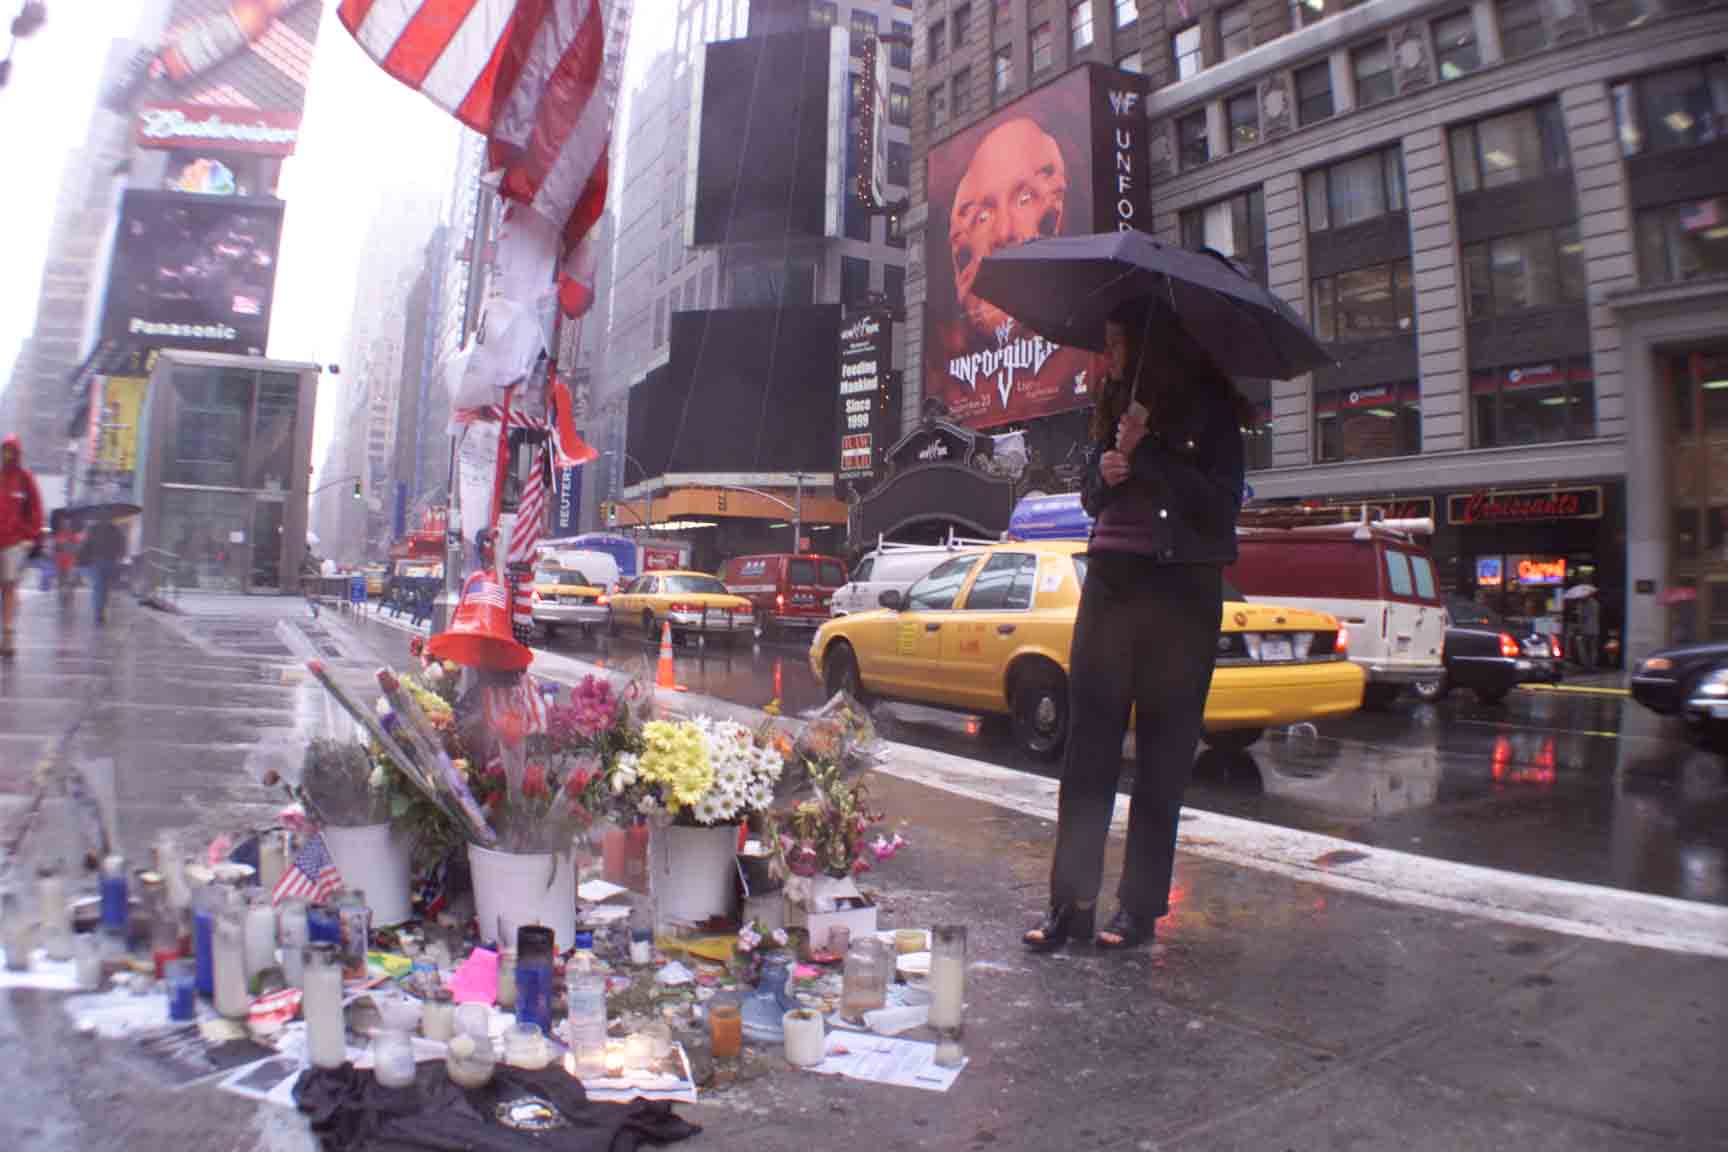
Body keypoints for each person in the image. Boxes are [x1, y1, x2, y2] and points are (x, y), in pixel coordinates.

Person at [1024, 299, 1246, 953]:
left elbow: (1220, 507)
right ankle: (1071, 905)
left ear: (1158, 347)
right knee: (1086, 754)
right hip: (1112, 588)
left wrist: (1149, 456)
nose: (1109, 354)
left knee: (1162, 757)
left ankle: (1140, 911)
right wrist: (1102, 470)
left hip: (1182, 595)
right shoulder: (1112, 405)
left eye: (1119, 342)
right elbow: (1091, 497)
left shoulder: (1213, 412)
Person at [0, 435, 45, 657]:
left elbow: (35, 510)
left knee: (9, 587)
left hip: (14, 544)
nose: (7, 454)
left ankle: (8, 635)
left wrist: (30, 537)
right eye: (4, 450)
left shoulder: (25, 479)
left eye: (11, 450)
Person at [78, 517, 128, 625]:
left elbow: (122, 546)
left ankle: (100, 610)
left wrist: (120, 555)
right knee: (99, 586)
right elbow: (85, 546)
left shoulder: (115, 530)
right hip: (97, 562)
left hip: (109, 562)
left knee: (104, 588)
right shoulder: (94, 529)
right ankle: (98, 613)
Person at [1575, 589, 1600, 670]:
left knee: (1584, 648)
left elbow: (1582, 617)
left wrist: (1579, 626)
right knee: (1593, 648)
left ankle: (1586, 665)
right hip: (1595, 629)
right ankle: (1592, 665)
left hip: (1585, 629)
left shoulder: (1583, 604)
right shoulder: (1596, 603)